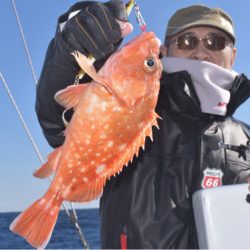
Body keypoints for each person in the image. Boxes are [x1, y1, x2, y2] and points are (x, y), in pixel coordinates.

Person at [35, 1, 250, 248]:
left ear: (232, 55)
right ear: (165, 52)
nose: (201, 52)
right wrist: (70, 51)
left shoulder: (246, 138)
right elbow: (56, 115)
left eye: (216, 42)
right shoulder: (140, 112)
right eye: (187, 41)